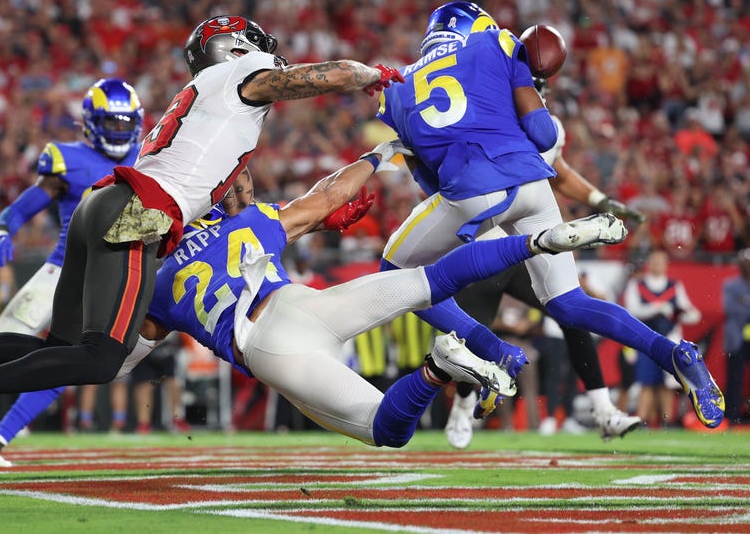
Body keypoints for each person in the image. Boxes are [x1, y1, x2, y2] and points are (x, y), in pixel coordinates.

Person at [0, 14, 405, 470]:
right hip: (141, 213)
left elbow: (237, 200)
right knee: (102, 358)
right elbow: (330, 74)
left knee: (64, 350)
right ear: (239, 50)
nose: (276, 63)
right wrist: (379, 75)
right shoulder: (238, 74)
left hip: (106, 207)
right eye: (265, 54)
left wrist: (322, 208)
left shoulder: (209, 110)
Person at [375, 1, 724, 433]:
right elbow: (543, 135)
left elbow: (428, 181)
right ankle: (673, 354)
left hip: (472, 194)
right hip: (533, 187)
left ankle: (493, 348)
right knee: (568, 302)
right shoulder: (498, 42)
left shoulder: (396, 85)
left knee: (394, 270)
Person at [133, 152, 624, 449]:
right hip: (303, 304)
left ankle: (437, 367)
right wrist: (378, 153)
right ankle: (540, 241)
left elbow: (139, 341)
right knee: (425, 280)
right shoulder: (253, 219)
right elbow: (326, 195)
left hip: (272, 348)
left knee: (386, 429)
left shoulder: (158, 277)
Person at [445, 76, 645, 448]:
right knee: (472, 334)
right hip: (488, 246)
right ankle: (463, 402)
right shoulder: (488, 119)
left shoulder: (549, 128)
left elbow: (560, 171)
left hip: (530, 246)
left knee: (574, 311)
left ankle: (603, 411)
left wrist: (600, 199)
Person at [0, 77, 145, 466]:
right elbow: (21, 207)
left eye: (125, 122)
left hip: (113, 276)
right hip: (61, 267)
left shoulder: (150, 155)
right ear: (91, 121)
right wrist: (2, 228)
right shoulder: (66, 157)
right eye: (112, 122)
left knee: (67, 364)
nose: (120, 131)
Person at [623, 249, 701, 428]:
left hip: (669, 339)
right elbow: (632, 310)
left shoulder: (674, 286)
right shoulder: (637, 284)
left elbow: (692, 313)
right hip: (645, 340)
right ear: (649, 263)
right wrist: (657, 308)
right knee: (646, 382)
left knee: (668, 384)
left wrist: (680, 313)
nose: (658, 264)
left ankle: (667, 420)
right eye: (655, 261)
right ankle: (642, 419)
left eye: (661, 261)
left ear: (667, 264)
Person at [722, 248, 750, 424]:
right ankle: (732, 415)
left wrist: (745, 302)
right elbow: (730, 308)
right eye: (744, 262)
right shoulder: (730, 284)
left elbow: (741, 306)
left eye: (749, 262)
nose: (747, 266)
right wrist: (749, 305)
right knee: (734, 378)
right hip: (737, 336)